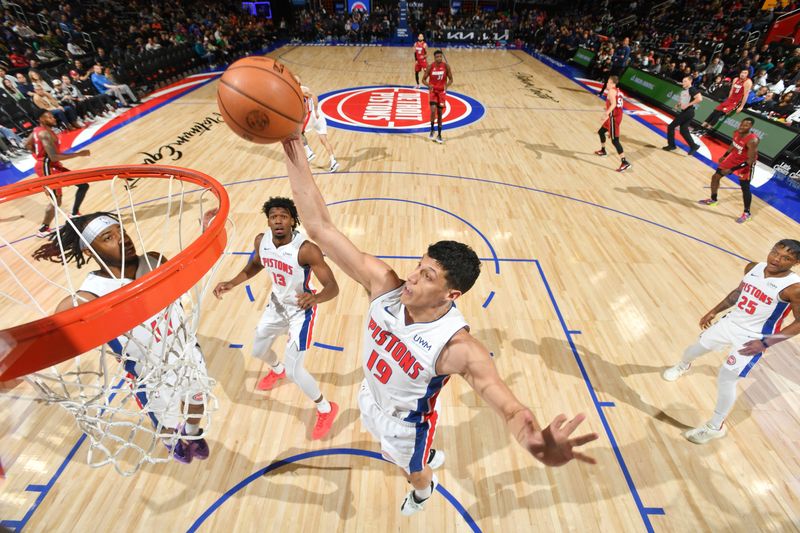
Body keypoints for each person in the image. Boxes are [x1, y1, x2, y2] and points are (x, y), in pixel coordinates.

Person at [279, 135, 598, 515]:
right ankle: (425, 456)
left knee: (411, 469)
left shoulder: (458, 348)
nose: (412, 278)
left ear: (452, 295)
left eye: (427, 276)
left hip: (406, 424)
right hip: (370, 397)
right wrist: (292, 145)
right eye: (419, 266)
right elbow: (319, 227)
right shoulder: (384, 285)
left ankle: (422, 492)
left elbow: (509, 408)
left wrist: (534, 440)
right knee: (391, 443)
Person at [32, 212, 214, 463]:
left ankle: (192, 434)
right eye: (108, 237)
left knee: (198, 403)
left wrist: (206, 234)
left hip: (187, 353)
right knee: (167, 422)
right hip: (151, 375)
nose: (123, 240)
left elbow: (189, 274)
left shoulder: (154, 260)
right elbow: (45, 341)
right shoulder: (88, 297)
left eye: (121, 232)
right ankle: (172, 441)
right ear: (88, 252)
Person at [213, 197, 341, 440]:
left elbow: (333, 287)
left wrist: (316, 299)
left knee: (296, 372)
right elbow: (255, 265)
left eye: (284, 216)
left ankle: (325, 408)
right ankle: (276, 369)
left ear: (293, 221)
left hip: (299, 312)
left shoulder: (306, 250)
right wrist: (231, 282)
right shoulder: (262, 241)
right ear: (268, 221)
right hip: (276, 307)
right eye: (274, 217)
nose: (278, 220)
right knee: (259, 350)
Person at [663, 240, 800, 444]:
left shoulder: (794, 288)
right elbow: (738, 293)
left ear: (796, 262)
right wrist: (714, 310)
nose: (776, 259)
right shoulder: (754, 267)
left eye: (785, 258)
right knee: (694, 350)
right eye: (774, 252)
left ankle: (714, 426)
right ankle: (684, 365)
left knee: (726, 378)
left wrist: (765, 344)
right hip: (729, 324)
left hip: (753, 338)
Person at [26, 111, 91, 237]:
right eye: (49, 116)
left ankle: (74, 213)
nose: (53, 118)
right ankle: (43, 229)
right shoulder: (44, 133)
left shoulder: (37, 130)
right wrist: (79, 154)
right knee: (56, 200)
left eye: (52, 116)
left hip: (52, 165)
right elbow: (54, 157)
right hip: (46, 167)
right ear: (41, 119)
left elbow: (27, 144)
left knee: (83, 185)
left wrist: (37, 154)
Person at [697, 117, 759, 223]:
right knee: (715, 177)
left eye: (746, 125)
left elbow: (751, 159)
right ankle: (713, 199)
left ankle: (747, 213)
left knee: (745, 188)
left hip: (746, 164)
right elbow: (733, 143)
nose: (742, 127)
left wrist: (732, 169)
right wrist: (725, 155)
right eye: (742, 124)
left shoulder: (752, 140)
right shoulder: (736, 132)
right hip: (734, 158)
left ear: (750, 127)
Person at [295, 76, 339, 172]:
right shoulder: (304, 88)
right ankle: (333, 161)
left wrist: (314, 111)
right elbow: (313, 96)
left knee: (297, 132)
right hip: (319, 117)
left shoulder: (298, 91)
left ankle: (308, 152)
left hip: (311, 117)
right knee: (324, 140)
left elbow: (313, 97)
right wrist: (316, 110)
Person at [696, 70, 752, 136]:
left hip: (736, 102)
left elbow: (745, 95)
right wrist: (728, 100)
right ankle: (700, 127)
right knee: (714, 112)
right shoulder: (736, 79)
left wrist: (741, 106)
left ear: (747, 75)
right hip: (729, 100)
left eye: (745, 73)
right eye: (742, 72)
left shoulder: (748, 82)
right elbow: (731, 90)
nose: (742, 74)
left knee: (719, 114)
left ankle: (705, 130)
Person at [594, 75, 631, 172]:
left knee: (615, 141)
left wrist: (606, 113)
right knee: (601, 132)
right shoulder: (618, 91)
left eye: (608, 82)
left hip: (614, 118)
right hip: (616, 116)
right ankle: (603, 150)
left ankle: (624, 162)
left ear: (612, 83)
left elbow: (614, 104)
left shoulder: (611, 91)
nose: (606, 83)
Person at [663, 75, 702, 155]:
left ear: (690, 81)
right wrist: (679, 104)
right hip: (688, 112)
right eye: (683, 81)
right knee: (683, 130)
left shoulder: (692, 89)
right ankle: (694, 146)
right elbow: (684, 100)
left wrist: (688, 105)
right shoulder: (685, 91)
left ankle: (671, 145)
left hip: (688, 112)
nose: (683, 83)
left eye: (685, 81)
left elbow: (699, 98)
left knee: (671, 127)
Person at [421, 50, 452, 144]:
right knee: (433, 110)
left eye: (440, 56)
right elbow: (423, 80)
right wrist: (428, 85)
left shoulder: (446, 66)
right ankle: (431, 129)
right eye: (437, 57)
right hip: (433, 92)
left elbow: (451, 79)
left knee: (439, 113)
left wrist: (446, 86)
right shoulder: (430, 67)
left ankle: (439, 134)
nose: (439, 58)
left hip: (441, 92)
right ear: (434, 58)